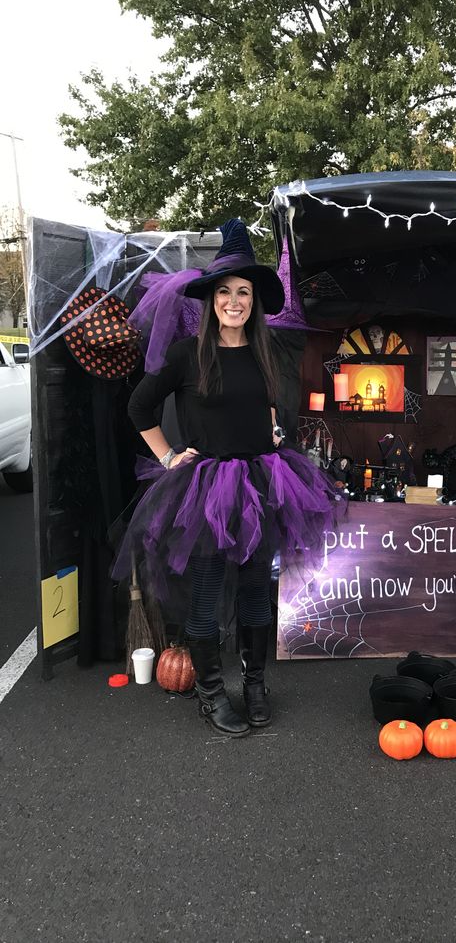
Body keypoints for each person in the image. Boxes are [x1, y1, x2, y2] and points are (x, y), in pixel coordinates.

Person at [114, 220, 342, 738]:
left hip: (263, 483)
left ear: (254, 301)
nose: (234, 301)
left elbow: (262, 407)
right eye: (225, 292)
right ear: (211, 299)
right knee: (207, 592)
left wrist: (273, 430)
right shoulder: (186, 354)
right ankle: (211, 691)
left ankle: (256, 684)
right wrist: (170, 456)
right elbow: (138, 407)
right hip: (208, 491)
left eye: (243, 293)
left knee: (258, 592)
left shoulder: (264, 351)